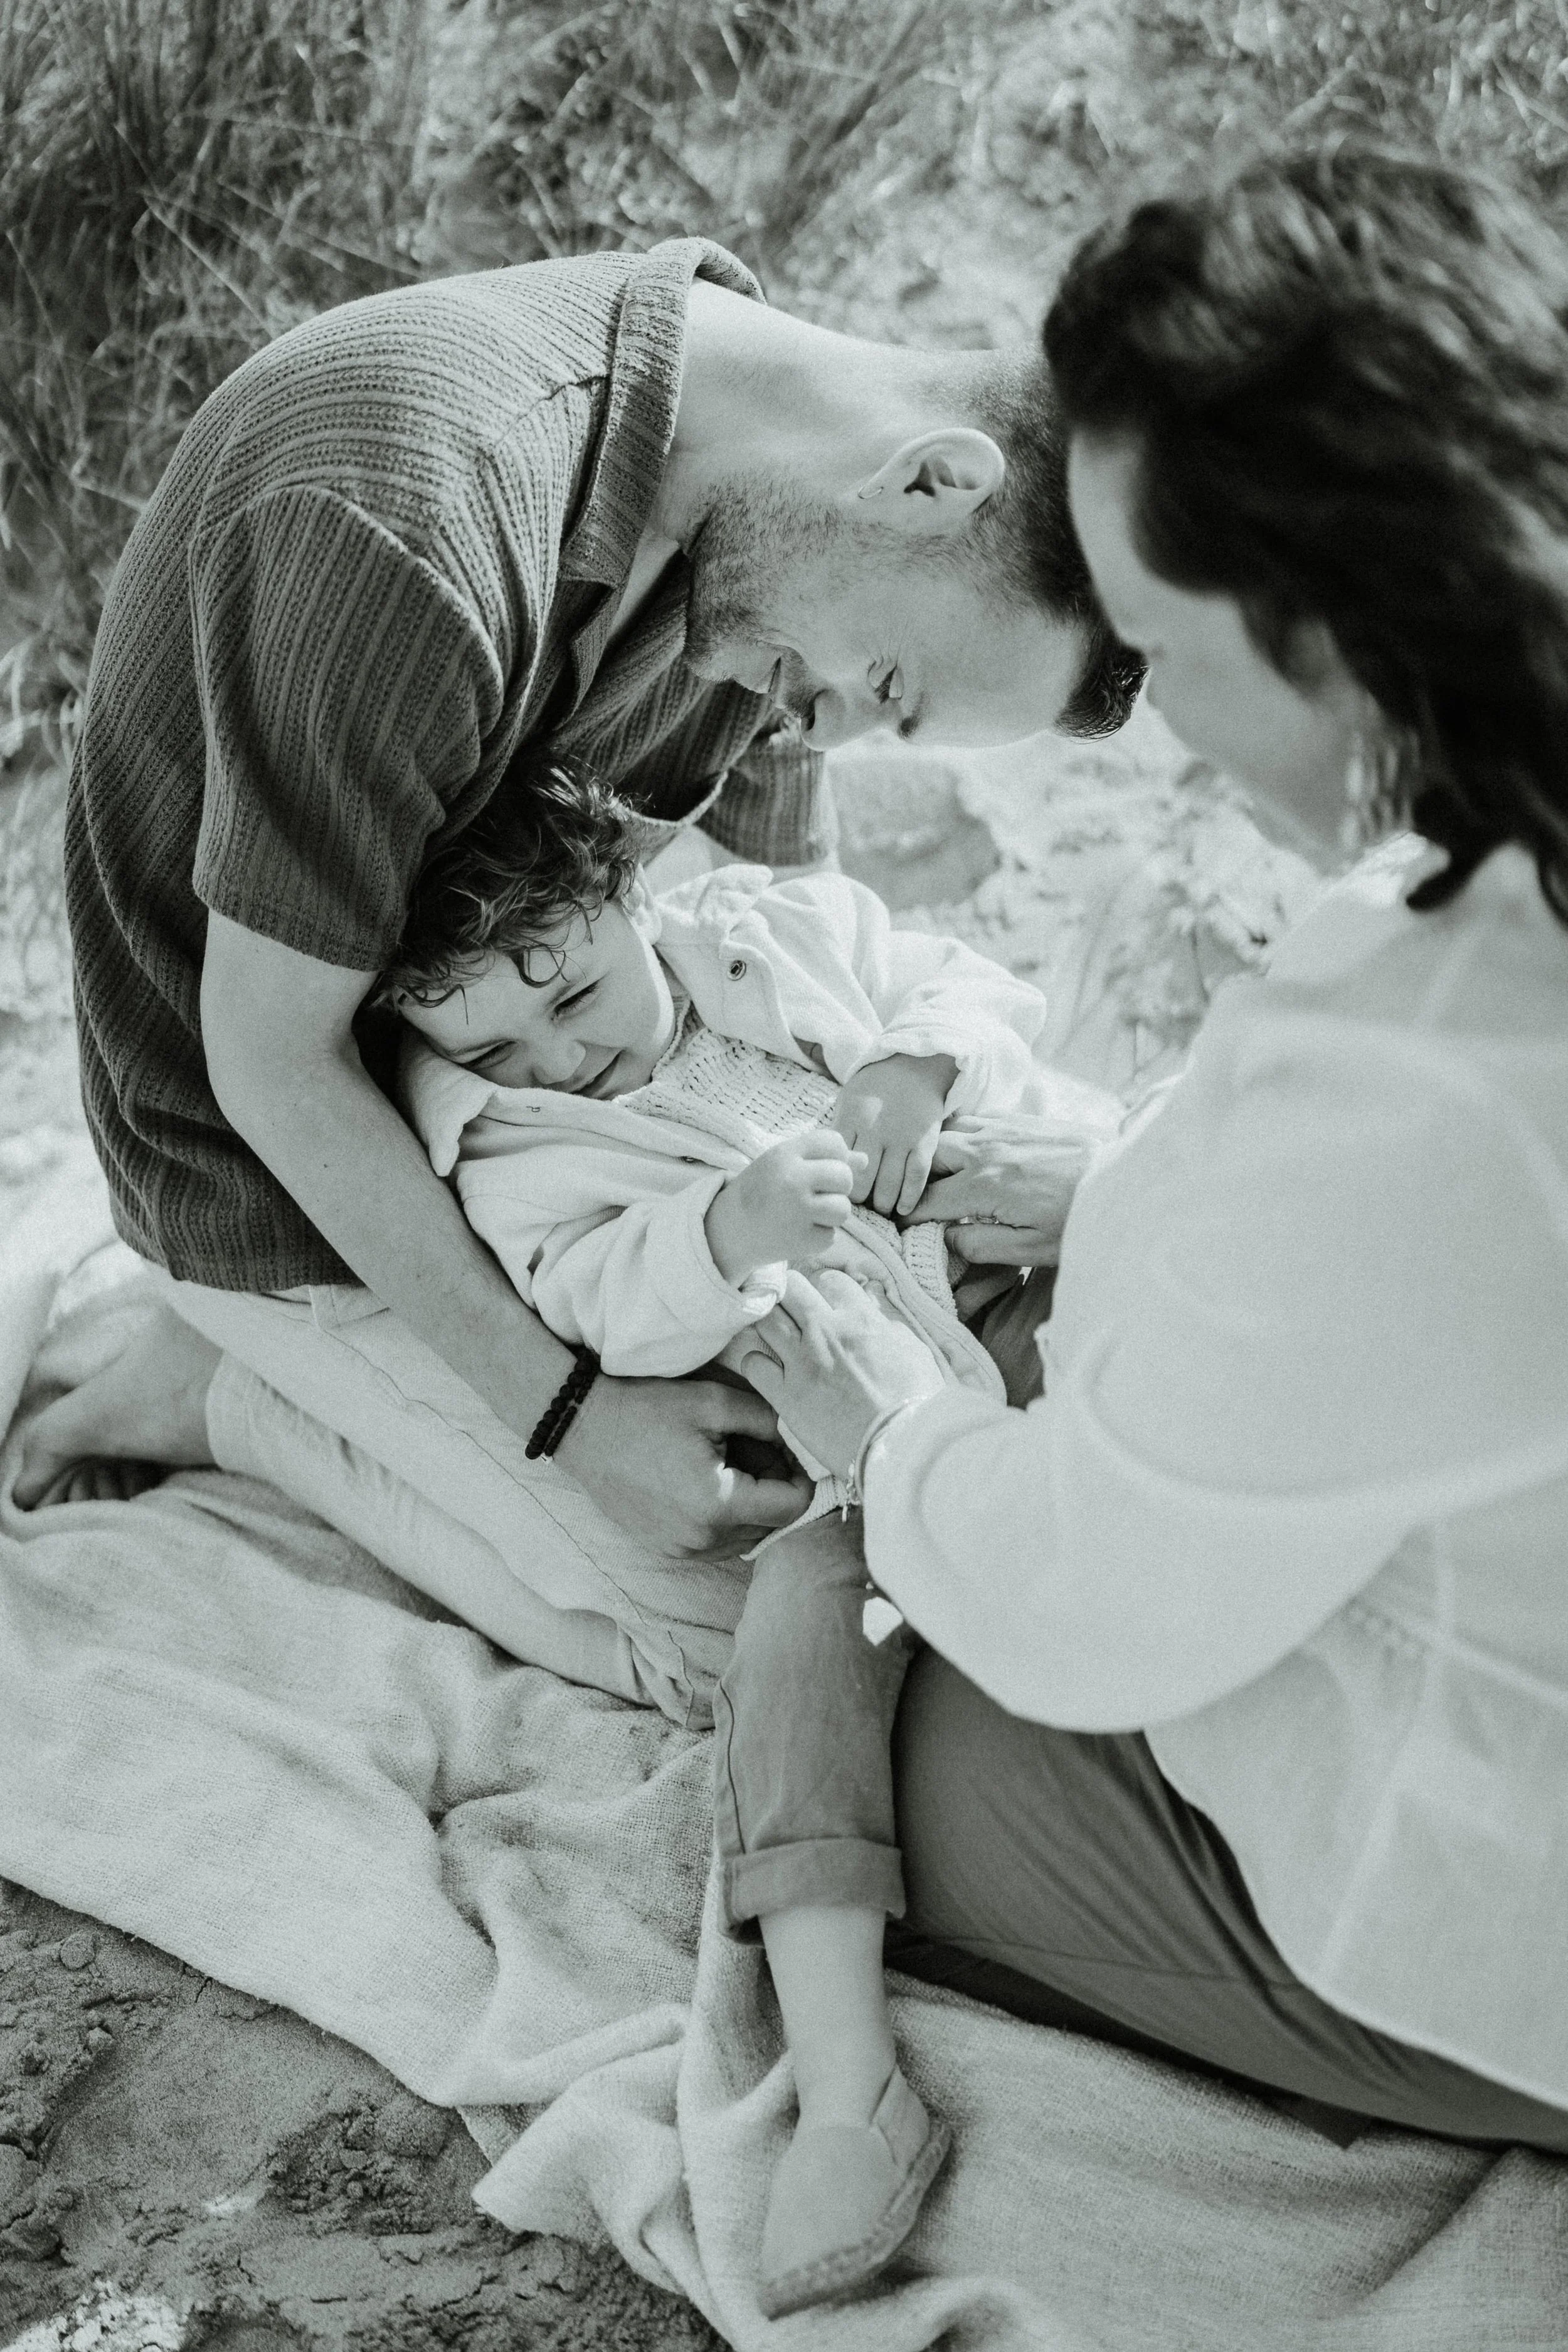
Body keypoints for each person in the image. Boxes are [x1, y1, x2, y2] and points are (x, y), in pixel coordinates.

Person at [736, 141, 1568, 2153]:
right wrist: (1122, 1195)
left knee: (865, 1712)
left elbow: (1098, 1599)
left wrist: (897, 1439)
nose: (1163, 725)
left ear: (1322, 613)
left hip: (1500, 1924)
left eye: (1162, 650)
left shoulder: (1434, 1082)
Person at [15, 233, 1138, 1711]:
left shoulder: (753, 518)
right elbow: (269, 1063)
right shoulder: (407, 525)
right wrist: (565, 1415)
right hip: (279, 1177)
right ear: (927, 482)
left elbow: (791, 901)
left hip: (555, 1150)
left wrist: (908, 1113)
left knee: (880, 1507)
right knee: (719, 1640)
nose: (826, 727)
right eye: (883, 687)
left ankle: (338, 1383)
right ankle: (235, 1386)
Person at [377, 751, 1120, 2314]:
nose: (556, 1059)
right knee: (790, 1648)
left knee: (1182, 1378)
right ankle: (848, 2081)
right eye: (494, 1048)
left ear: (623, 900)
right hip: (852, 1444)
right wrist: (722, 1236)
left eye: (573, 996)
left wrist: (921, 1067)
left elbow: (964, 980)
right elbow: (588, 1301)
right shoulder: (515, 1153)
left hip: (1041, 1293)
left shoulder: (769, 930)